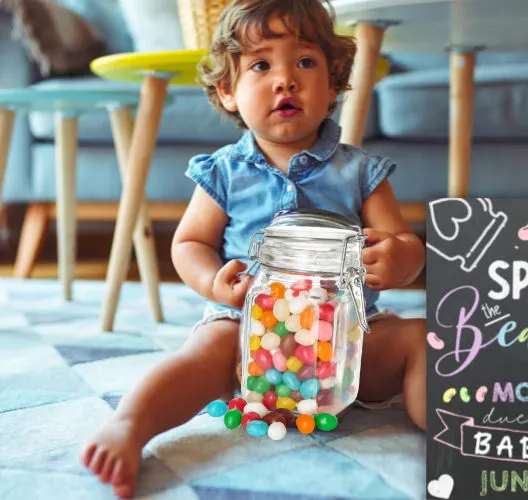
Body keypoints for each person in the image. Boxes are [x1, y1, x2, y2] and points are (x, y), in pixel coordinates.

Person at [79, 0, 426, 497]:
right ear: (227, 91)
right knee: (204, 353)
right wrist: (211, 281)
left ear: (333, 85)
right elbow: (190, 242)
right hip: (247, 336)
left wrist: (399, 258)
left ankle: (454, 422)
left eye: (305, 62)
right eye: (261, 65)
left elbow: (406, 244)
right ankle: (130, 426)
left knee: (421, 338)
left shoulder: (360, 171)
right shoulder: (222, 171)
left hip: (350, 337)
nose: (285, 80)